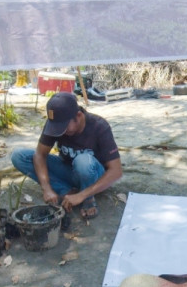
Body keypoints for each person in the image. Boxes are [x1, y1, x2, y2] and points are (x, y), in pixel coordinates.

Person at [11, 92, 122, 229]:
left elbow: (116, 171)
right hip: (68, 170)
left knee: (83, 161)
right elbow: (40, 155)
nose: (60, 132)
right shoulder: (56, 124)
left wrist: (83, 195)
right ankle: (67, 192)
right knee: (19, 156)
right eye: (56, 128)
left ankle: (87, 198)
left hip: (93, 176)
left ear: (78, 116)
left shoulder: (99, 126)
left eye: (64, 127)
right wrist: (47, 188)